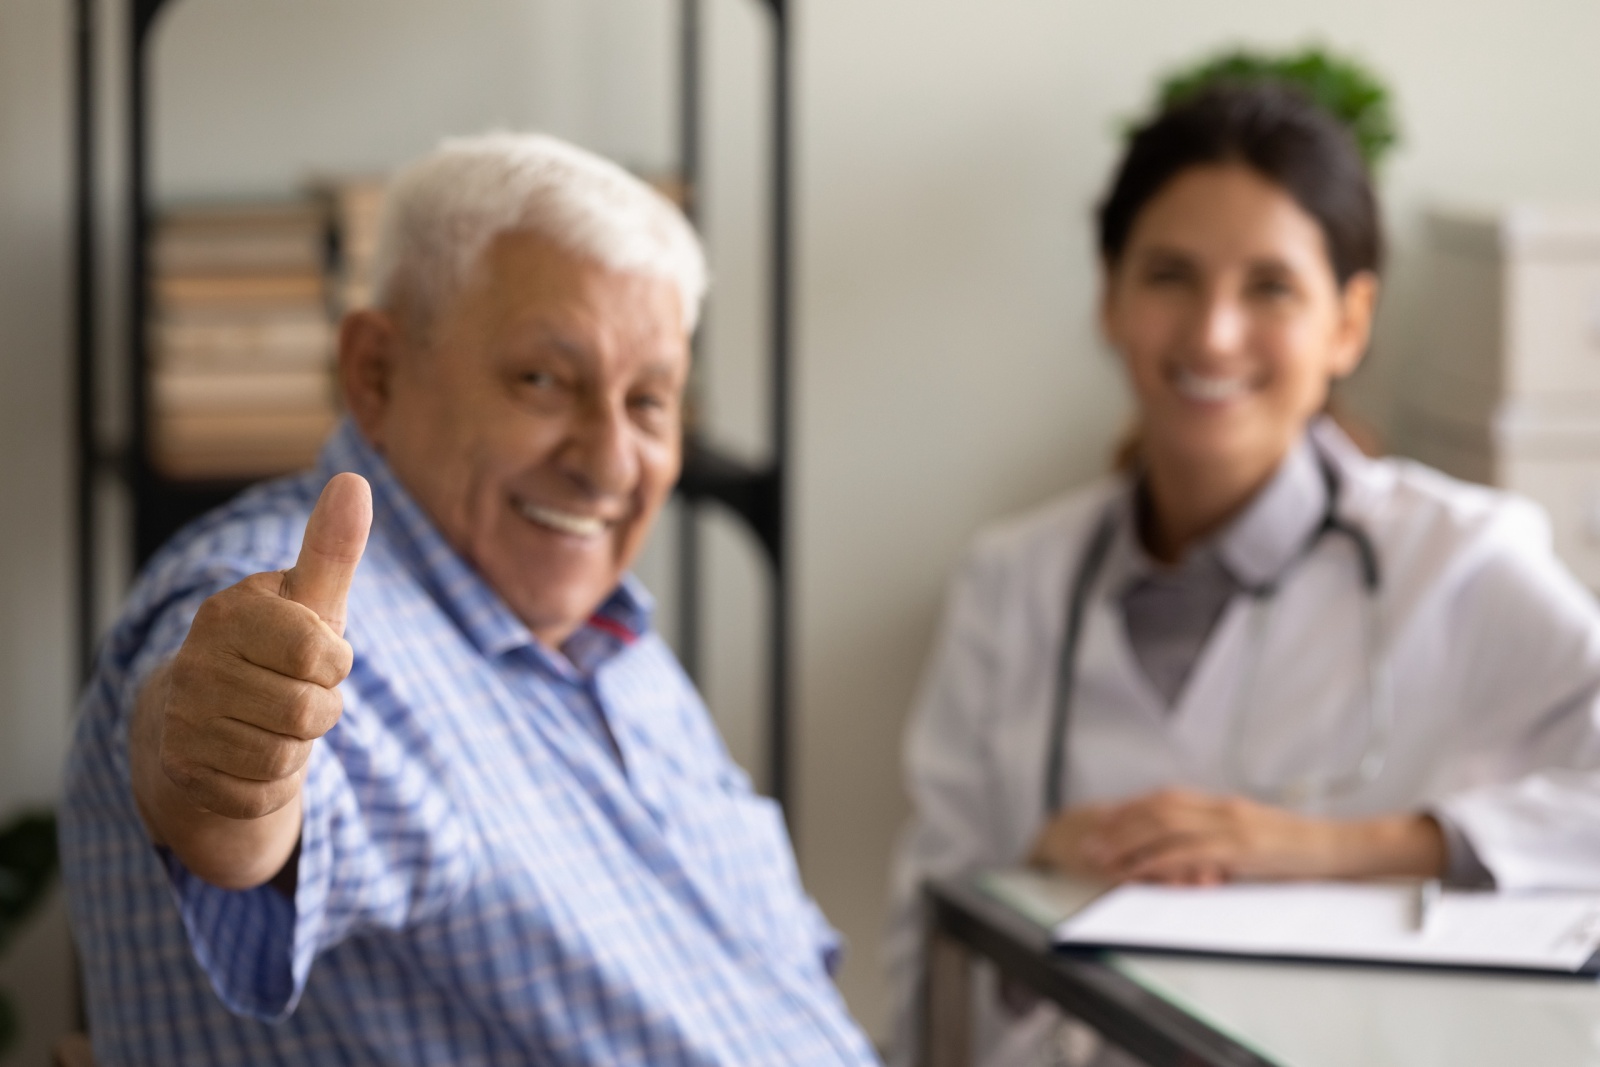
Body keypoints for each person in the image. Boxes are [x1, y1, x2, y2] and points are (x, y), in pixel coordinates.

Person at [61, 133, 877, 1066]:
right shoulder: (297, 603)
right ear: (375, 371)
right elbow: (226, 782)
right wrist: (220, 754)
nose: (611, 461)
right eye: (542, 380)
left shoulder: (607, 632)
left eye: (650, 402)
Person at [886, 81, 1600, 1067]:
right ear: (1109, 297)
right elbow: (925, 949)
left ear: (1347, 324)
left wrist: (1332, 847)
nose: (1212, 333)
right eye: (1169, 274)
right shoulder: (1011, 579)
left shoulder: (1457, 559)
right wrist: (1036, 870)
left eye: (1269, 286)